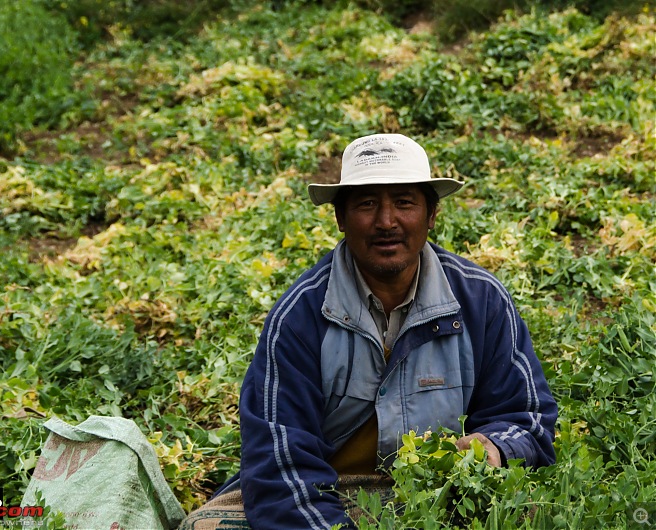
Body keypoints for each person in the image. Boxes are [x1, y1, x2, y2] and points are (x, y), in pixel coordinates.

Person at [183, 133, 557, 530]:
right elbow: (280, 463)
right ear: (341, 218)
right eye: (366, 204)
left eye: (404, 202)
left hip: (439, 491)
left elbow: (528, 418)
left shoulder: (480, 300)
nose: (386, 221)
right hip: (328, 488)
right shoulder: (300, 316)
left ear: (431, 215)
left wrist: (495, 447)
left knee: (533, 512)